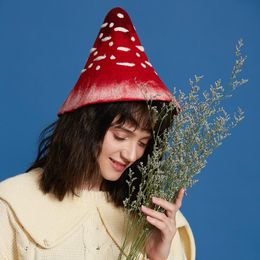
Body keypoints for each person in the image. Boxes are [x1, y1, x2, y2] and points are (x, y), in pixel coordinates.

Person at [0, 7, 195, 260]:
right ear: (86, 127)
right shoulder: (13, 202)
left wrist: (157, 256)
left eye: (144, 143)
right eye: (121, 136)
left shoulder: (158, 221)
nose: (131, 154)